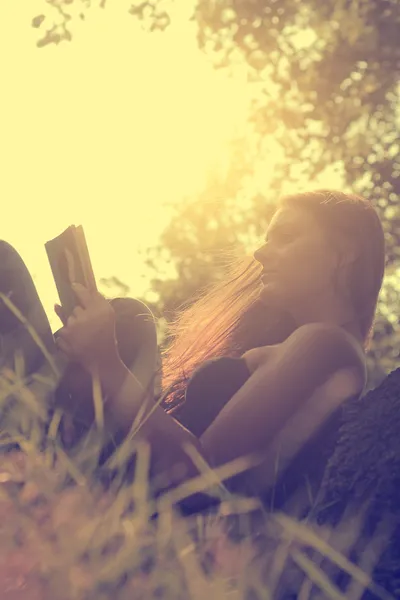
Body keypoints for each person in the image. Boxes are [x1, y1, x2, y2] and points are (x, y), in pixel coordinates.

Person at [0, 189, 386, 511]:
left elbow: (208, 479)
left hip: (121, 497)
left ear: (345, 252)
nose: (260, 254)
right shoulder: (299, 345)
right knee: (127, 317)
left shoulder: (328, 344)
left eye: (284, 237)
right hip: (108, 466)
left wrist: (106, 363)